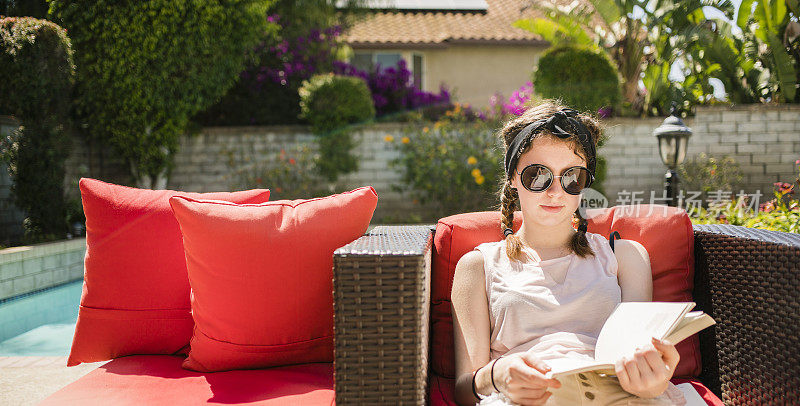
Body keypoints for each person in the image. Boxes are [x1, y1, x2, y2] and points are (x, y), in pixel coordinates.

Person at [451, 100, 687, 406]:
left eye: (572, 177)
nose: (555, 192)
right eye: (537, 175)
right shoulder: (479, 265)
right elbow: (464, 388)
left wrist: (651, 377)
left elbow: (636, 353)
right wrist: (497, 374)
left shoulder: (625, 257)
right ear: (512, 178)